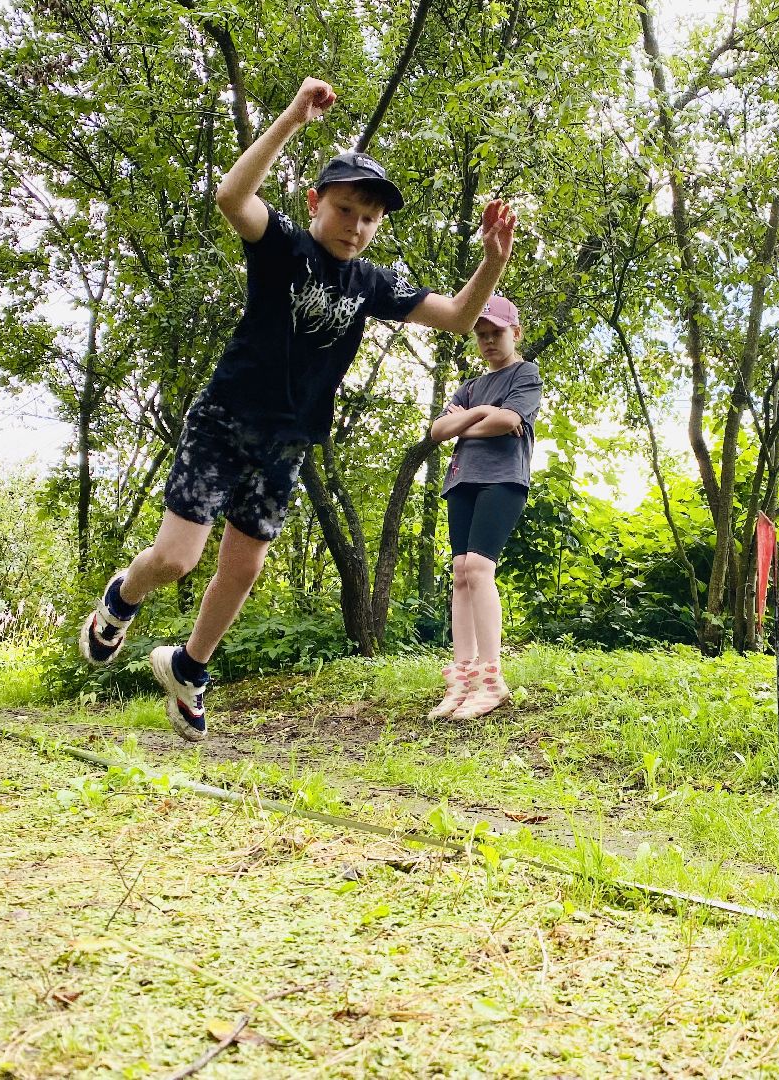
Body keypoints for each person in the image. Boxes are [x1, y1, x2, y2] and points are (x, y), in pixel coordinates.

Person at [79, 78, 516, 742]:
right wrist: (293, 116)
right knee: (176, 558)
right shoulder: (284, 244)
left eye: (369, 219)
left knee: (244, 566)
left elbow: (457, 315)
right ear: (316, 203)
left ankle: (190, 667)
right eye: (345, 211)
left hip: (286, 441)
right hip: (225, 417)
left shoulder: (372, 282)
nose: (357, 227)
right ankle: (121, 600)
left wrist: (490, 263)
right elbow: (231, 196)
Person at [426, 295, 541, 720]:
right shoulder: (471, 387)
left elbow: (509, 421)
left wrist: (466, 421)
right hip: (461, 481)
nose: (489, 340)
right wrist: (481, 413)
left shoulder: (525, 374)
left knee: (478, 568)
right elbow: (439, 431)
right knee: (460, 574)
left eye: (497, 333)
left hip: (504, 479)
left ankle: (492, 681)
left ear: (515, 332)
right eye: (482, 335)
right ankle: (463, 677)